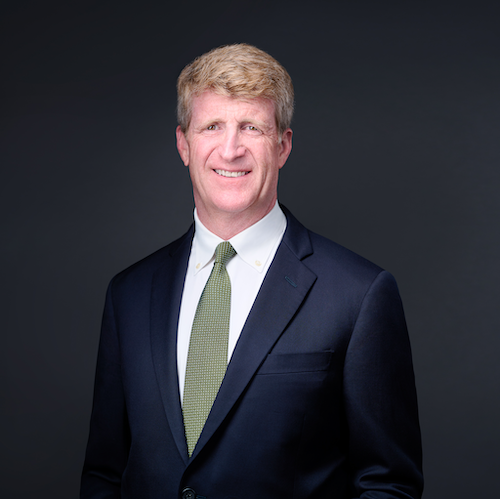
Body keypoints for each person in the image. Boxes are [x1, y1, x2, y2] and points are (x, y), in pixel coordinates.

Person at [81, 43, 423, 499]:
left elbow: (388, 484)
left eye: (251, 128)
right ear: (183, 144)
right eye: (212, 126)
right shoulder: (129, 294)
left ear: (282, 146)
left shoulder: (358, 296)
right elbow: (105, 475)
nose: (230, 149)